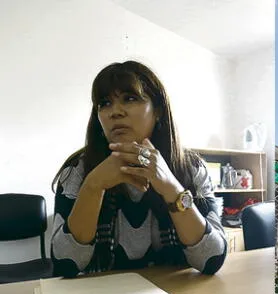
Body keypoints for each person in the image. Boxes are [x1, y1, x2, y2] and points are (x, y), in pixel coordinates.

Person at [50, 61, 227, 277]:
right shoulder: (77, 169)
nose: (115, 112)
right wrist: (93, 186)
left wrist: (172, 188)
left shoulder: (191, 168)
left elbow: (211, 260)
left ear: (158, 110)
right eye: (104, 103)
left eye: (130, 98)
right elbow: (64, 263)